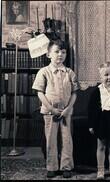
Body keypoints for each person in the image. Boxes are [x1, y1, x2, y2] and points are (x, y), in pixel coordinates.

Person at [32, 39, 80, 178]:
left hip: (66, 112)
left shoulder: (69, 72)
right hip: (50, 112)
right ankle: (52, 166)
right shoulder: (44, 72)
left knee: (66, 139)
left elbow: (74, 93)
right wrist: (51, 109)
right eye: (57, 51)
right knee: (51, 139)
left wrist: (68, 109)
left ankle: (66, 167)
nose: (60, 55)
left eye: (63, 52)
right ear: (49, 54)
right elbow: (40, 92)